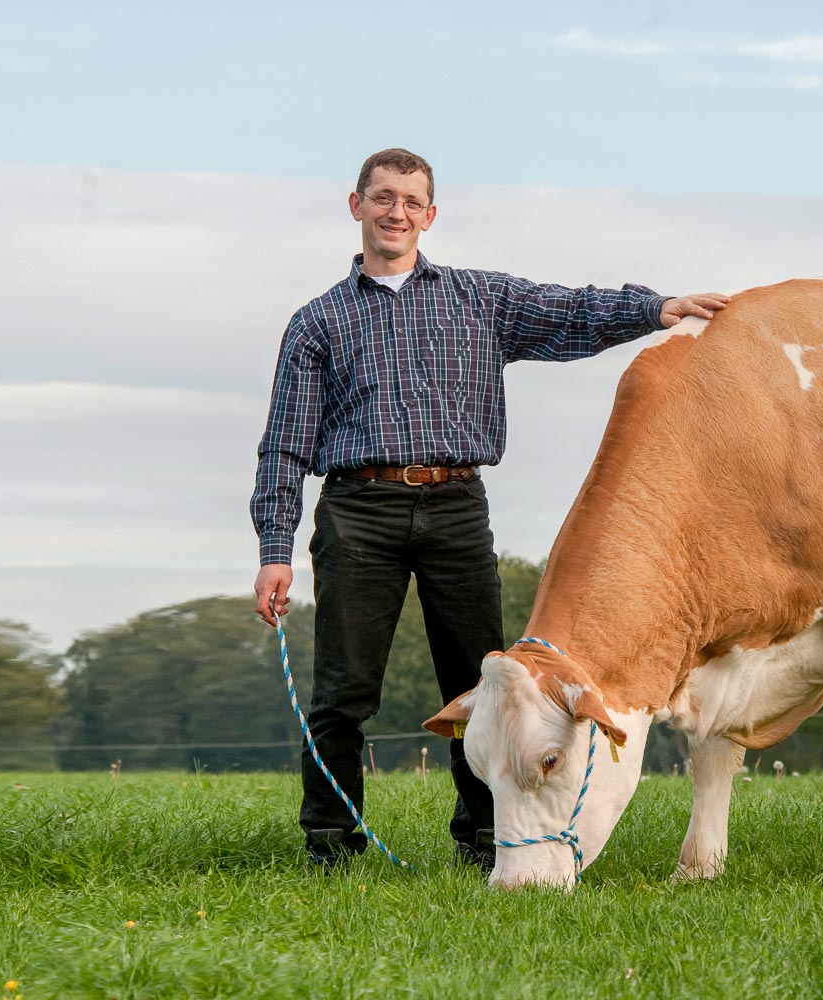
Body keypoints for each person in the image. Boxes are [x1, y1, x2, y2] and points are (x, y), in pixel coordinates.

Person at [250, 148, 727, 869]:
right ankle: (330, 842)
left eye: (411, 202)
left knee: (482, 683)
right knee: (343, 690)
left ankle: (481, 835)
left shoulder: (479, 299)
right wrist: (274, 551)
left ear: (430, 215)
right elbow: (284, 445)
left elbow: (567, 310)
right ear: (356, 206)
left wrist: (655, 309)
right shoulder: (317, 323)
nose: (396, 212)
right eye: (383, 198)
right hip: (358, 510)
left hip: (457, 506)